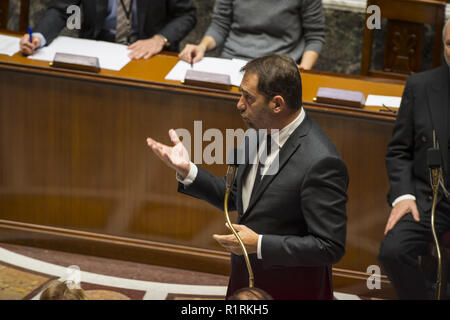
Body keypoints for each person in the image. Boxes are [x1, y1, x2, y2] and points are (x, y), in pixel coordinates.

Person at [147, 54, 348, 299]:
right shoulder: (255, 133)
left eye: (248, 98)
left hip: (292, 289)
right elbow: (237, 198)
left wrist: (260, 244)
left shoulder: (321, 162)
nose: (239, 104)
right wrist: (187, 170)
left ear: (277, 104)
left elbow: (330, 246)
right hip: (245, 282)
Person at [378, 20, 450, 300]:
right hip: (428, 197)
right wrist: (404, 196)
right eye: (449, 43)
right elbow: (399, 150)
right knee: (392, 251)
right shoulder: (420, 86)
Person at [20, 0, 196, 60]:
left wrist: (160, 39)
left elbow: (187, 15)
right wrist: (38, 37)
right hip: (99, 50)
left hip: (148, 55)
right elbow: (61, 8)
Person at [178, 0, 324, 70]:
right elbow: (220, 25)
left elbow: (315, 35)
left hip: (279, 67)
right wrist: (202, 47)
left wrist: (304, 68)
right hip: (233, 62)